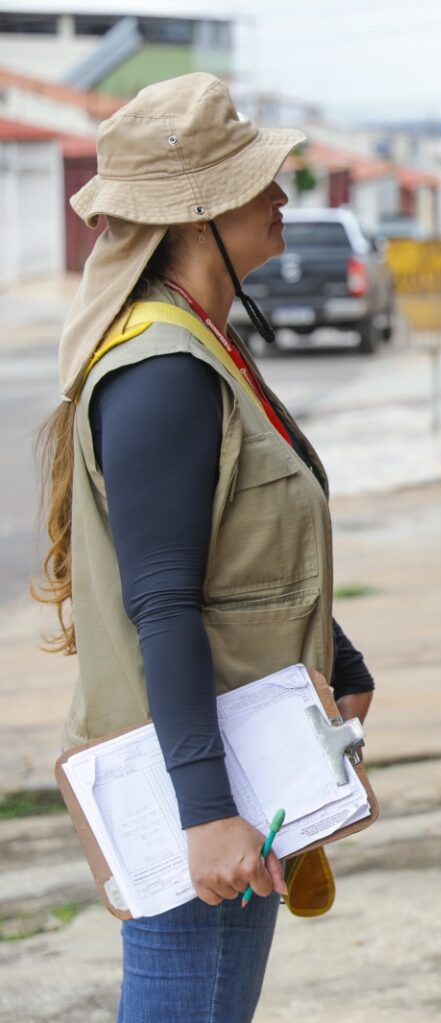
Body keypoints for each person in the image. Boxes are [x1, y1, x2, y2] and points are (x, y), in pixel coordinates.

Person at [33, 73, 374, 1022]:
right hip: (196, 775)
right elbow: (164, 604)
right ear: (195, 213)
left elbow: (241, 547)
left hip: (240, 753)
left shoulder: (202, 345)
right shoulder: (163, 374)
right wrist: (205, 814)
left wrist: (337, 656)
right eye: (255, 179)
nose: (282, 194)